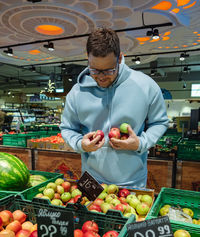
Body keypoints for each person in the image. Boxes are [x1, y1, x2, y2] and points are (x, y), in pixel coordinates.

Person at [60, 28, 169, 188]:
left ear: (120, 58)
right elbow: (67, 128)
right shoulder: (77, 92)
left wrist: (140, 143)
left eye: (109, 70)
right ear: (87, 59)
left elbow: (160, 122)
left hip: (132, 183)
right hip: (92, 182)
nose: (102, 76)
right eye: (95, 70)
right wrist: (80, 144)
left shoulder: (146, 86)